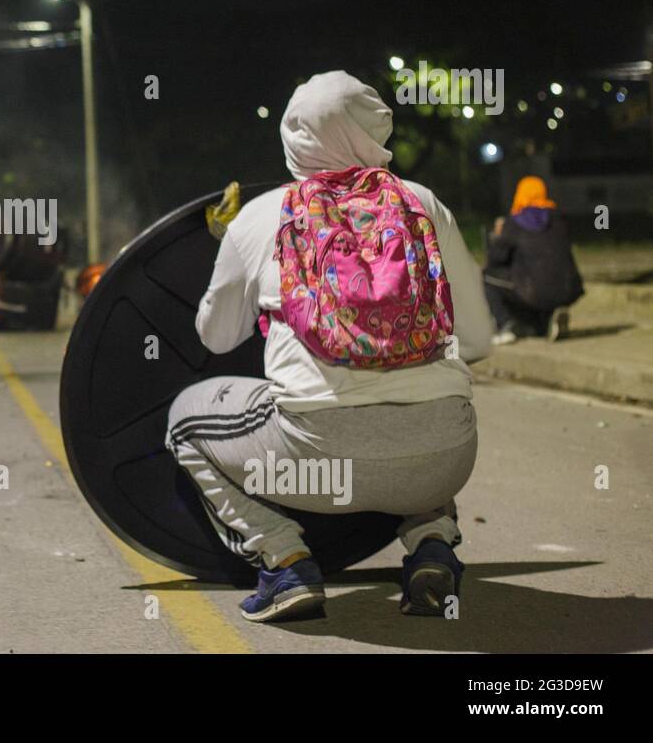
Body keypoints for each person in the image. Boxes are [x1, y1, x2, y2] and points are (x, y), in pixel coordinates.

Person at [166, 71, 493, 622]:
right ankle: (433, 545)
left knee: (182, 422)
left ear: (294, 137)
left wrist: (233, 254)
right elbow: (478, 341)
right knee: (429, 396)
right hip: (444, 459)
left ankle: (285, 561)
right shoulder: (422, 204)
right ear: (376, 130)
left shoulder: (261, 216)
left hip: (314, 464)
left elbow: (217, 338)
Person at [483, 176, 583, 345]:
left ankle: (506, 325)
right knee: (538, 278)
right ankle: (547, 322)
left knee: (487, 276)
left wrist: (499, 236)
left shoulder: (514, 222)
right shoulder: (559, 218)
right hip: (569, 288)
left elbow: (495, 259)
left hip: (533, 289)